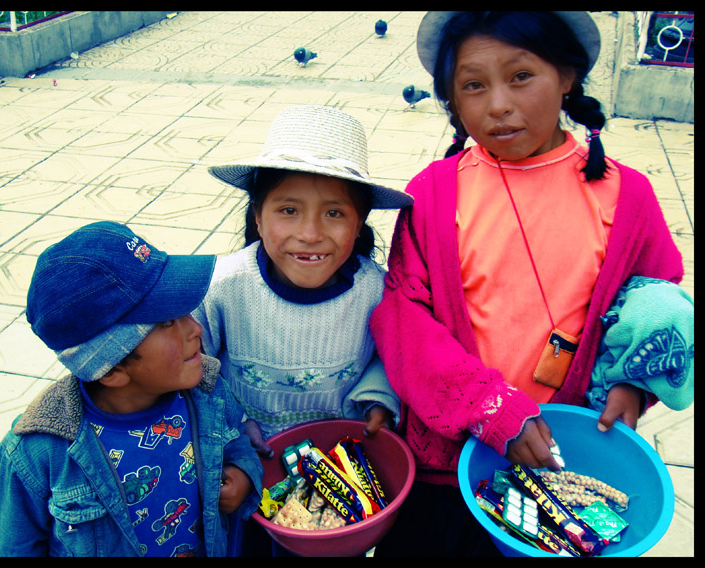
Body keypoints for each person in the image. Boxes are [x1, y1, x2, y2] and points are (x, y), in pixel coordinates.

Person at [368, 12, 684, 557]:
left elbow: (655, 300)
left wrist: (634, 382)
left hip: (565, 461)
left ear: (566, 76)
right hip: (449, 466)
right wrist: (488, 406)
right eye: (473, 85)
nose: (497, 104)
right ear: (452, 101)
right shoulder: (436, 193)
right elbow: (404, 316)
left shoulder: (627, 197)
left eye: (521, 76)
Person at [196, 105, 413, 555]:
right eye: (288, 210)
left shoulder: (375, 291)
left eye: (334, 213)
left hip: (341, 475)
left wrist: (378, 398)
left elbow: (388, 355)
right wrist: (231, 428)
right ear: (257, 216)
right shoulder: (225, 288)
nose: (310, 233)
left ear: (359, 223)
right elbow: (193, 369)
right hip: (251, 472)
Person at [0, 221, 263, 557]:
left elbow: (236, 442)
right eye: (166, 322)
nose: (194, 327)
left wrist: (244, 474)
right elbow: (14, 546)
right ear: (113, 369)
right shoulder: (36, 454)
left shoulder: (208, 392)